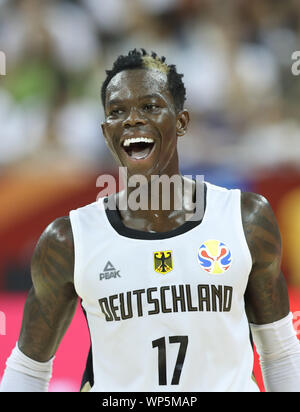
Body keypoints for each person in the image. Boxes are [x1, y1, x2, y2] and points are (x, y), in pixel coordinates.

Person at [1, 49, 300, 392]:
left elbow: (279, 353)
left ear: (182, 121)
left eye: (150, 106)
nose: (131, 119)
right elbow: (27, 368)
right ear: (105, 132)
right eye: (117, 112)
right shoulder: (68, 240)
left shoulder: (245, 218)